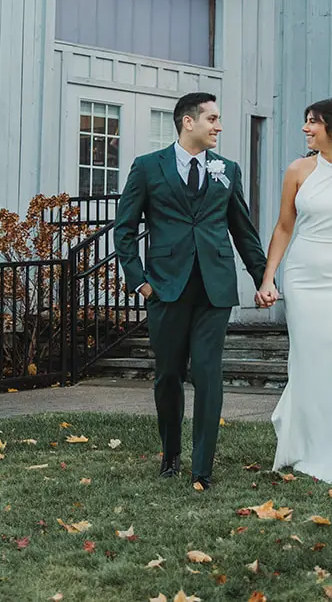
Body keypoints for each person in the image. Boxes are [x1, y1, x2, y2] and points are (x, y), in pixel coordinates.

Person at [112, 92, 267, 491]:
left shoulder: (226, 169)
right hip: (165, 288)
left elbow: (243, 231)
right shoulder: (148, 168)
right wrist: (139, 281)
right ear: (188, 122)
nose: (218, 126)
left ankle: (202, 468)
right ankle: (170, 455)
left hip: (214, 288)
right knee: (167, 376)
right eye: (212, 118)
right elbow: (124, 229)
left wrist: (263, 277)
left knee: (209, 374)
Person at [254, 97, 332, 482]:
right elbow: (283, 227)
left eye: (313, 122)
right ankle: (305, 446)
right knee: (307, 362)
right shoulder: (297, 170)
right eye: (306, 121)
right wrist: (268, 278)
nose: (306, 128)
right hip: (304, 277)